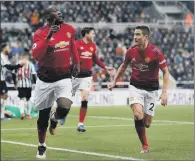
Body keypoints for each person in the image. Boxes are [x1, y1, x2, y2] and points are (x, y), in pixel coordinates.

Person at [108, 25, 169, 153]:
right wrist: (114, 82)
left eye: (138, 34)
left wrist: (164, 93)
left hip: (152, 89)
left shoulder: (156, 52)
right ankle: (145, 146)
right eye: (134, 34)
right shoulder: (131, 51)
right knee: (137, 114)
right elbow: (123, 67)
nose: (135, 37)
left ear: (146, 37)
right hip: (135, 86)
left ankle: (144, 130)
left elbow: (165, 72)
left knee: (147, 123)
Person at [31, 7, 80, 159]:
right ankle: (41, 145)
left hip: (64, 76)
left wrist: (77, 62)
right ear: (48, 17)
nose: (60, 13)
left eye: (60, 11)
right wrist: (50, 35)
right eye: (56, 12)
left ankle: (55, 117)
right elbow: (36, 55)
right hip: (45, 79)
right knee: (42, 118)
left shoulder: (69, 29)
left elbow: (72, 44)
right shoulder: (40, 33)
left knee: (65, 106)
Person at [60, 27, 115, 132]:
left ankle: (80, 124)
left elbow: (95, 59)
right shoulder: (76, 44)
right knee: (68, 100)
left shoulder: (93, 46)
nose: (94, 35)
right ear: (86, 34)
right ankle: (63, 114)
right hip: (75, 75)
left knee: (84, 99)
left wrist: (105, 67)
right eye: (92, 33)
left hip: (87, 76)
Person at [0, 43, 23, 120]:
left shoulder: (6, 58)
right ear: (3, 49)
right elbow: (8, 67)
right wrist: (19, 65)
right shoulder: (1, 56)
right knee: (3, 97)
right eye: (8, 48)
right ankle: (2, 116)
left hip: (2, 80)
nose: (9, 49)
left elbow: (12, 70)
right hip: (1, 80)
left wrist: (15, 82)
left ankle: (2, 116)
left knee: (4, 96)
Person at [12, 53, 37, 119]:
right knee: (28, 99)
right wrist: (35, 84)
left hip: (20, 84)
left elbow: (13, 74)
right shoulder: (30, 64)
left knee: (21, 99)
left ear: (21, 57)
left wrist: (14, 83)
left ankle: (22, 113)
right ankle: (28, 114)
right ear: (27, 57)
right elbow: (34, 75)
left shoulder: (17, 64)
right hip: (28, 84)